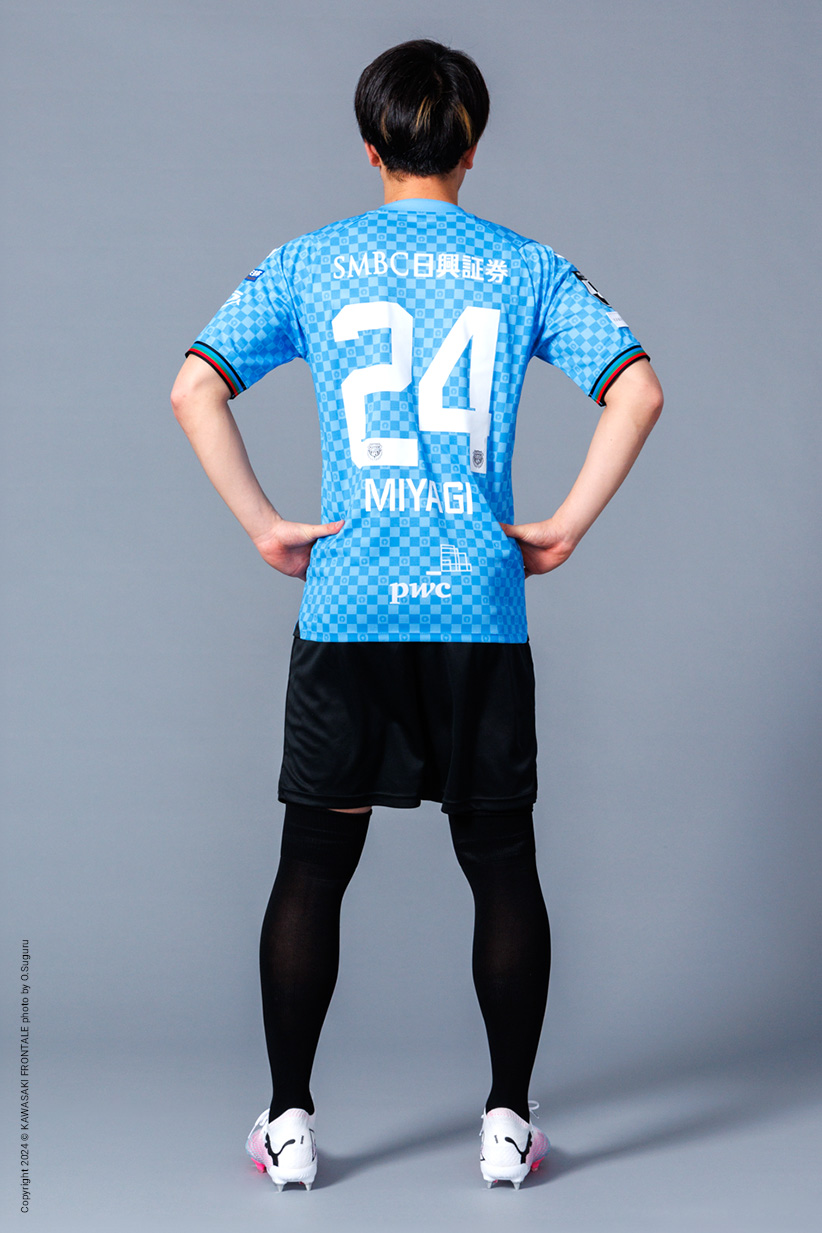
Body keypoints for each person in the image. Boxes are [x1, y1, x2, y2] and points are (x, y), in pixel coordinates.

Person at [170, 38, 663, 1192]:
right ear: (472, 147)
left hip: (350, 603)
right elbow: (638, 388)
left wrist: (265, 524)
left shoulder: (309, 262)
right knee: (501, 862)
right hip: (478, 608)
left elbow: (193, 384)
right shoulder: (526, 266)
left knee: (313, 865)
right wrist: (566, 525)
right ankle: (507, 1124)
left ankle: (290, 1123)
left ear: (370, 147)